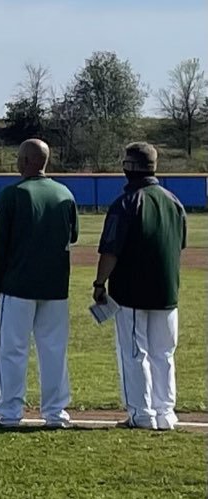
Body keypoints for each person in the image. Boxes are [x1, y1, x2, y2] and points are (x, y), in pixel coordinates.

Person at [94, 142, 186, 431]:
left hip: (132, 293)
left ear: (130, 167)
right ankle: (166, 413)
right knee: (164, 354)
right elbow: (179, 245)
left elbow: (110, 250)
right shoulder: (174, 201)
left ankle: (141, 414)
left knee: (135, 353)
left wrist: (99, 284)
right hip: (167, 292)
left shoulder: (126, 203)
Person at [0, 138, 78, 428]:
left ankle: (11, 413)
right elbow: (72, 236)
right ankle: (56, 413)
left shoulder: (12, 194)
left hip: (18, 285)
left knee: (12, 349)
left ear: (26, 161)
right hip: (55, 287)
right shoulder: (64, 193)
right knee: (53, 350)